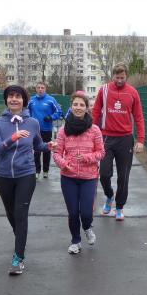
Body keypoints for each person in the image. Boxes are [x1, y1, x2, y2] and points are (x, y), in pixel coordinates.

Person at [0, 85, 54, 276]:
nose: (14, 99)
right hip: (3, 176)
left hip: (26, 174)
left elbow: (38, 145)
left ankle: (18, 257)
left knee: (20, 214)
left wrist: (49, 146)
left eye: (18, 96)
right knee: (11, 215)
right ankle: (21, 239)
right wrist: (12, 138)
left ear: (24, 101)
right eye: (10, 96)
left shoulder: (33, 123)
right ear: (6, 100)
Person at [53, 91, 105, 254]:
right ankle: (75, 241)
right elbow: (56, 153)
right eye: (75, 104)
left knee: (86, 213)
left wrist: (87, 158)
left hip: (89, 177)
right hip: (68, 177)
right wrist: (64, 164)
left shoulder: (94, 130)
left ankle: (87, 227)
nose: (78, 107)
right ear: (71, 106)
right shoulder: (63, 130)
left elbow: (101, 153)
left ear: (87, 108)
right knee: (73, 212)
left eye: (82, 105)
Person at [92, 63, 145, 221]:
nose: (120, 80)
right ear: (112, 76)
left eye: (122, 77)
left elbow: (138, 117)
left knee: (124, 176)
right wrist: (92, 133)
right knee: (104, 174)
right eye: (117, 77)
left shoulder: (132, 92)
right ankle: (109, 196)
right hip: (106, 137)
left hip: (125, 139)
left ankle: (119, 207)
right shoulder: (104, 90)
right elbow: (96, 111)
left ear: (126, 76)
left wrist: (140, 140)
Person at [27, 81, 62, 179]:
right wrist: (29, 120)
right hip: (35, 130)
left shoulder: (51, 100)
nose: (40, 89)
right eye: (38, 87)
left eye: (42, 88)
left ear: (45, 89)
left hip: (46, 129)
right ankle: (37, 171)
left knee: (47, 149)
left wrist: (51, 117)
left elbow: (59, 112)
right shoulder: (31, 100)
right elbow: (26, 111)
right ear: (36, 89)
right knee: (36, 150)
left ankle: (46, 171)